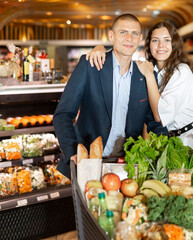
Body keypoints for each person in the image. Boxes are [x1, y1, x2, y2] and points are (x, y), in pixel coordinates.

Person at [87, 22, 193, 198]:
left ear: (174, 44)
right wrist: (99, 48)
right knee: (182, 201)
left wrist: (147, 75)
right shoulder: (151, 70)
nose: (161, 45)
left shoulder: (180, 71)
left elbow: (159, 115)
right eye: (155, 40)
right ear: (148, 45)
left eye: (166, 40)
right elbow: (120, 58)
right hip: (181, 144)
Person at [53, 14, 168, 179]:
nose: (129, 38)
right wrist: (72, 152)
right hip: (87, 161)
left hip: (125, 166)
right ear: (111, 35)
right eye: (123, 32)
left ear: (141, 38)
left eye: (135, 33)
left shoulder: (145, 75)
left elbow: (154, 122)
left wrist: (163, 152)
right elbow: (63, 114)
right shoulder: (90, 64)